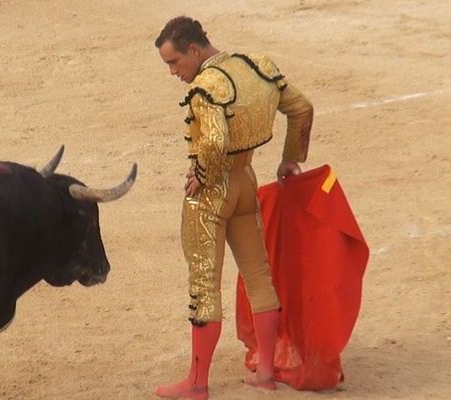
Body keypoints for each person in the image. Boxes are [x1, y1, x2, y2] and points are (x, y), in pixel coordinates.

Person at [154, 16, 314, 400]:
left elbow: (213, 141)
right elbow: (302, 108)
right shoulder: (255, 65)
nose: (174, 73)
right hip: (246, 183)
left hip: (213, 194)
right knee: (259, 274)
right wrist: (290, 159)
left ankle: (196, 384)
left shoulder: (206, 88)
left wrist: (203, 174)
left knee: (204, 285)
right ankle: (266, 373)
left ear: (194, 49)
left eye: (175, 63)